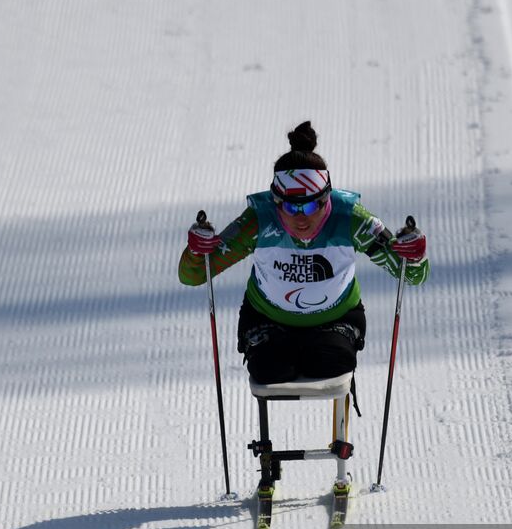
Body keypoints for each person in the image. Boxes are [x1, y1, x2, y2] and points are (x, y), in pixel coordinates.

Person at [177, 121, 429, 385]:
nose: (300, 218)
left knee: (329, 364)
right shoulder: (259, 220)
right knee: (270, 371)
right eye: (289, 207)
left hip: (335, 320)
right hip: (268, 319)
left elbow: (411, 275)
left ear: (326, 199)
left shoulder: (351, 218)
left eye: (309, 207)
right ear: (275, 201)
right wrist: (197, 250)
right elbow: (193, 276)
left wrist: (413, 253)